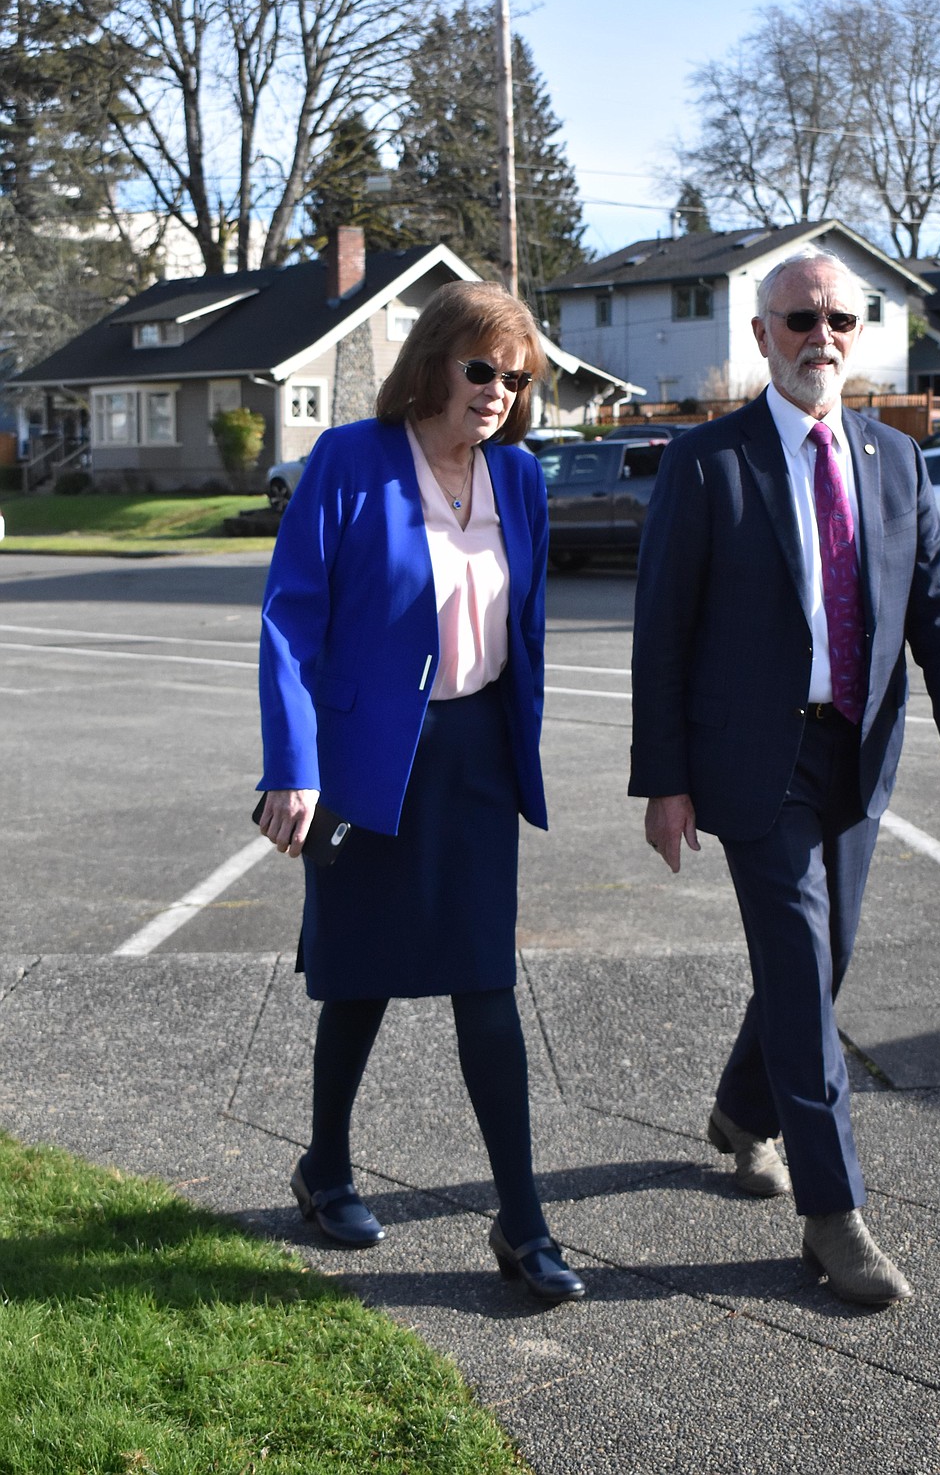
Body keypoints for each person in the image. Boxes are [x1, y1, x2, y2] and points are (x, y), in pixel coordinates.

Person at [629, 249, 940, 1307]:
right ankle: (833, 1215)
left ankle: (741, 1113)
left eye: (838, 317)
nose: (820, 336)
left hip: (858, 753)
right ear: (761, 336)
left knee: (823, 959)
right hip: (755, 760)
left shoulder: (896, 459)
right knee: (798, 966)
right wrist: (664, 781)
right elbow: (662, 637)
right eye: (799, 319)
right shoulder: (708, 465)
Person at [256, 280, 584, 1304]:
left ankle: (523, 1221)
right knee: (359, 979)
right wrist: (293, 764)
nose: (496, 390)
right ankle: (325, 1168)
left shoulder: (520, 478)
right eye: (480, 368)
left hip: (476, 757)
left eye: (514, 377)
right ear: (437, 361)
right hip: (364, 757)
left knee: (486, 985)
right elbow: (290, 620)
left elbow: (523, 630)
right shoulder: (350, 460)